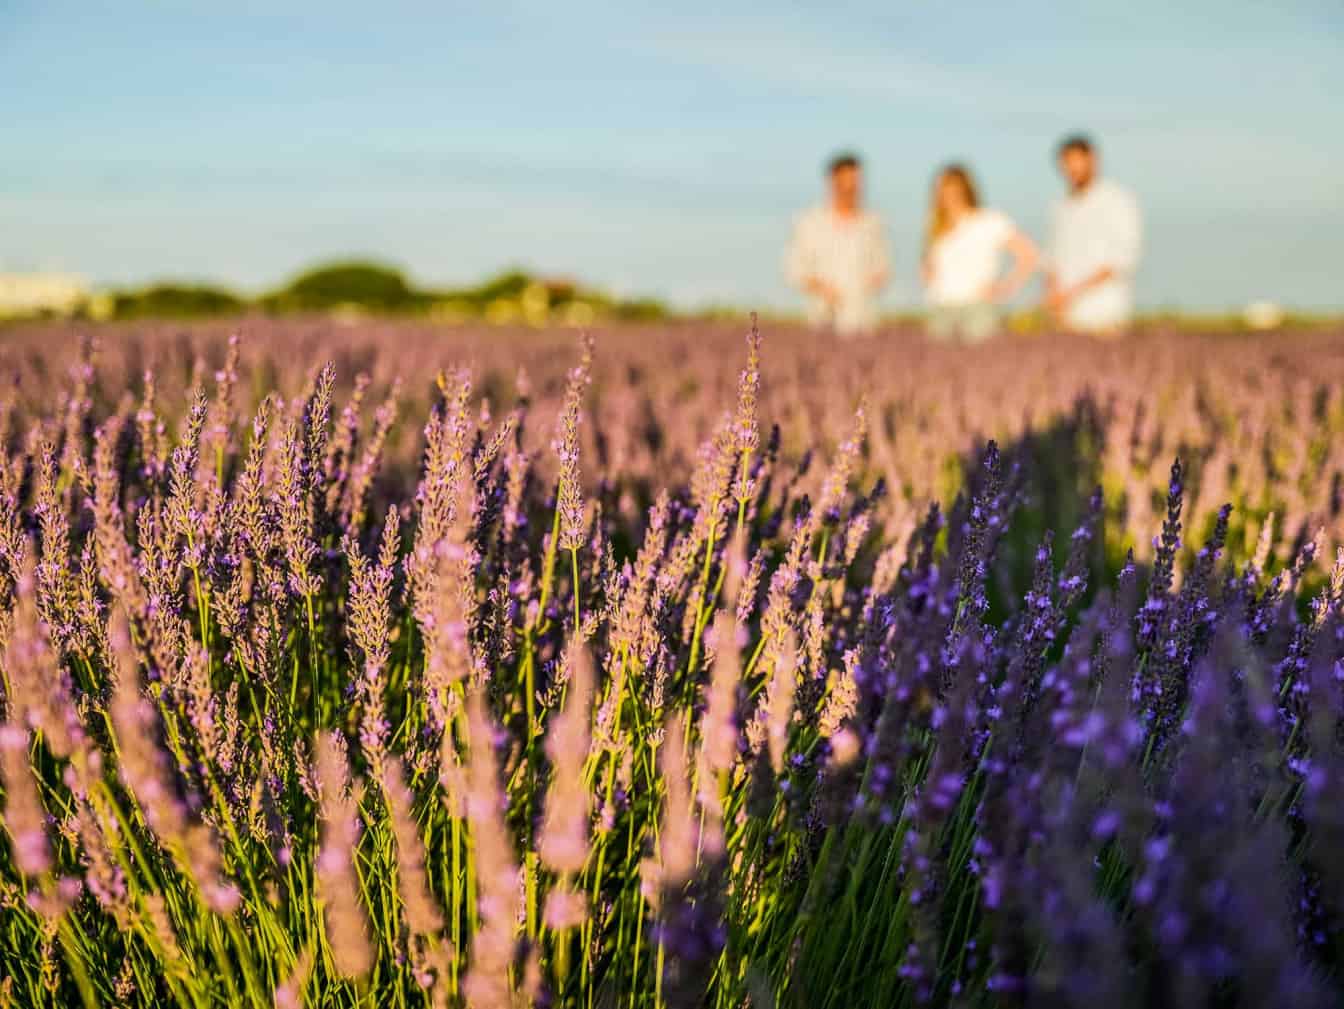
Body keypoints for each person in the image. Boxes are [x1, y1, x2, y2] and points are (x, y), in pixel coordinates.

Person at [921, 163, 1038, 344]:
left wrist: (1006, 287)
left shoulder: (989, 221)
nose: (946, 195)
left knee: (981, 360)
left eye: (952, 188)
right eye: (941, 189)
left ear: (966, 189)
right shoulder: (935, 226)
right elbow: (928, 266)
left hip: (977, 307)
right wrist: (928, 274)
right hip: (941, 307)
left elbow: (1029, 254)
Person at [1044, 134, 1142, 336]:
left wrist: (1071, 293)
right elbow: (1053, 256)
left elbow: (1122, 259)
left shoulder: (1117, 200)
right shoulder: (1060, 206)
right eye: (1066, 163)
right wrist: (1055, 294)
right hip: (1067, 316)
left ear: (1093, 159)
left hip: (1105, 311)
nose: (1071, 169)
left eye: (1076, 161)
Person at [785, 152, 891, 337]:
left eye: (855, 182)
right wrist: (823, 289)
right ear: (832, 182)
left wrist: (861, 288)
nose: (851, 188)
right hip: (821, 317)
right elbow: (794, 270)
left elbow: (883, 268)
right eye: (845, 181)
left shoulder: (872, 223)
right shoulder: (809, 223)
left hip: (862, 320)